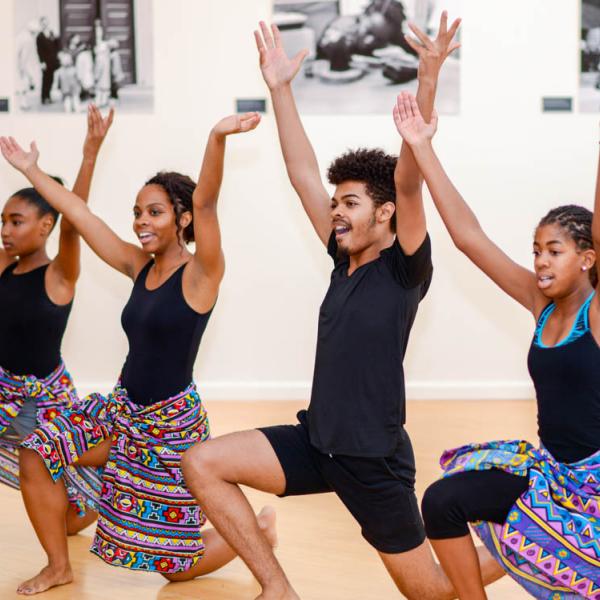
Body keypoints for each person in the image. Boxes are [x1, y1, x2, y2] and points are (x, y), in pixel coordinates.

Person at [182, 16, 502, 600]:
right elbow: (302, 172)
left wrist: (427, 78)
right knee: (202, 462)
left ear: (383, 215)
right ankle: (279, 588)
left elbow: (409, 182)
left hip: (372, 461)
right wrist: (279, 88)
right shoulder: (341, 259)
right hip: (317, 442)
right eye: (336, 202)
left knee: (430, 590)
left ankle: (520, 543)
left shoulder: (404, 268)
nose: (335, 211)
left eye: (349, 202)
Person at [0, 111, 276, 596]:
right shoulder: (136, 264)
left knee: (173, 567)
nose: (141, 222)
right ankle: (58, 565)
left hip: (169, 429)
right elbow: (82, 218)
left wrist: (215, 137)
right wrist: (32, 173)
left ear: (182, 218)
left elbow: (208, 204)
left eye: (155, 212)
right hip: (120, 411)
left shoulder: (201, 274)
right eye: (138, 212)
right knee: (36, 452)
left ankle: (257, 533)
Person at [394, 91, 600, 599]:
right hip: (552, 477)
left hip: (594, 494)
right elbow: (468, 236)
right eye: (536, 251)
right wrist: (421, 146)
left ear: (590, 258)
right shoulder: (541, 302)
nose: (541, 262)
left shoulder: (597, 313)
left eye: (555, 251)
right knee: (442, 502)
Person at [0, 105, 112, 540]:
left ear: (47, 225)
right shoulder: (6, 267)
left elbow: (75, 222)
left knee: (64, 523)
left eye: (16, 221)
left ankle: (118, 462)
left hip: (40, 403)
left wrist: (90, 153)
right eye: (3, 221)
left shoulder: (58, 276)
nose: (5, 230)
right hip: (6, 392)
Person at [36, 17, 60, 105]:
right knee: (45, 79)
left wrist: (56, 37)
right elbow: (39, 51)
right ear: (41, 24)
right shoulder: (40, 36)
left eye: (46, 23)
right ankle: (44, 97)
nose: (45, 25)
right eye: (43, 23)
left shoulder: (51, 33)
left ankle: (48, 96)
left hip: (52, 61)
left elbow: (56, 46)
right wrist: (42, 62)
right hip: (45, 62)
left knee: (51, 79)